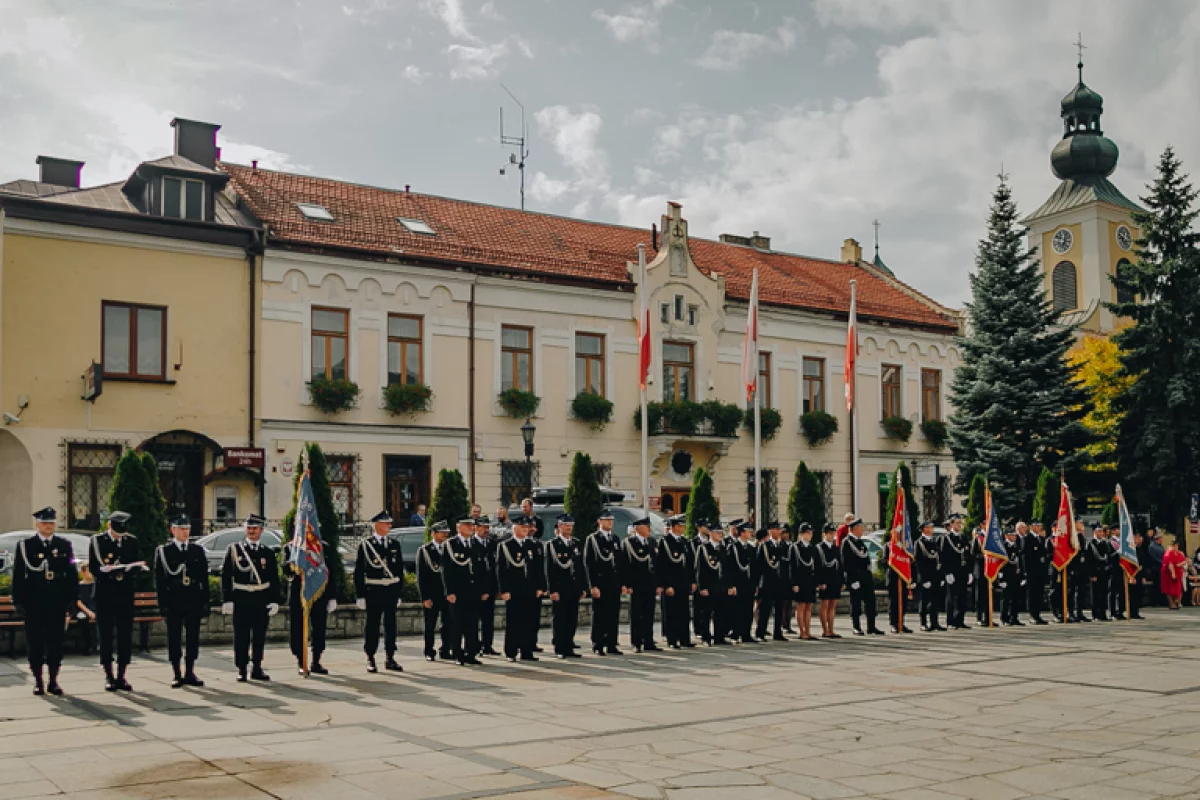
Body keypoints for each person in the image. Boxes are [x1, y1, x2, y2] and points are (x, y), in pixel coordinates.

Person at [12, 507, 78, 696]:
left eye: (51, 523)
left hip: (56, 602)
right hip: (34, 602)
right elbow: (18, 575)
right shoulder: (26, 545)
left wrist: (73, 599)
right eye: (45, 523)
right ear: (37, 524)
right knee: (35, 643)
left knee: (56, 642)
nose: (48, 526)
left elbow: (71, 574)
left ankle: (53, 680)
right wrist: (18, 600)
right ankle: (38, 680)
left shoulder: (63, 545)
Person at [90, 509, 145, 691]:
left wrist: (131, 570)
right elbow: (95, 567)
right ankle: (108, 674)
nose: (119, 535)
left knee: (125, 635)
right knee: (105, 635)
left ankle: (122, 675)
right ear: (109, 525)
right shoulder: (98, 541)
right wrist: (112, 570)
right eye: (116, 530)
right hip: (105, 594)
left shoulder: (131, 541)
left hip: (124, 594)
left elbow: (138, 562)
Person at [221, 514, 281, 682]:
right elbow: (226, 576)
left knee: (259, 636)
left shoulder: (267, 552)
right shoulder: (234, 550)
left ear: (261, 530)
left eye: (255, 528)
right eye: (248, 528)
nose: (251, 531)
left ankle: (257, 667)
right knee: (241, 636)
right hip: (241, 599)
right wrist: (227, 599)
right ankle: (241, 668)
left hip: (261, 599)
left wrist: (275, 600)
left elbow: (273, 578)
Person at [154, 514, 209, 687]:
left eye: (187, 529)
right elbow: (160, 580)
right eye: (181, 529)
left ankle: (190, 671)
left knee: (193, 637)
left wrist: (205, 601)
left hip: (192, 598)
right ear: (173, 530)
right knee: (174, 638)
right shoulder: (164, 551)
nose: (185, 533)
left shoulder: (197, 550)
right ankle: (177, 672)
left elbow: (203, 578)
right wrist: (162, 603)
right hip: (174, 599)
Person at [353, 511, 404, 673]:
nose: (389, 526)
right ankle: (371, 657)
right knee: (372, 625)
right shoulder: (366, 545)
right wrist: (360, 595)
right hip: (373, 591)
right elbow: (359, 572)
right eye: (386, 523)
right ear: (377, 525)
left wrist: (399, 593)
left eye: (390, 523)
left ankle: (390, 657)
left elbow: (399, 571)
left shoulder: (395, 545)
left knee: (391, 625)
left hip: (390, 590)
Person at [497, 515, 544, 661]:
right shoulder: (505, 546)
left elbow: (538, 568)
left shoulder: (532, 545)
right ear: (514, 528)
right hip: (514, 590)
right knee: (513, 622)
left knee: (529, 622)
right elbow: (501, 570)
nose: (525, 530)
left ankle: (527, 650)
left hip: (529, 589)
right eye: (522, 527)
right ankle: (511, 651)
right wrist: (504, 590)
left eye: (526, 527)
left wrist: (540, 586)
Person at [442, 517, 483, 665]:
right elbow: (446, 570)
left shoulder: (476, 544)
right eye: (467, 525)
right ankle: (458, 654)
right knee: (457, 624)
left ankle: (471, 653)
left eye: (472, 525)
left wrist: (483, 589)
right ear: (459, 527)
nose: (471, 528)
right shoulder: (451, 545)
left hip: (473, 590)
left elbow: (481, 568)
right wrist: (449, 591)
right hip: (458, 591)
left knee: (472, 624)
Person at [544, 514, 585, 658]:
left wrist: (582, 587)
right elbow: (549, 569)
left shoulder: (575, 543)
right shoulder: (552, 545)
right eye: (566, 525)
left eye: (570, 525)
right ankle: (559, 647)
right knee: (560, 618)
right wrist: (552, 589)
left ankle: (569, 645)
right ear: (559, 526)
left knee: (572, 619)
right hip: (560, 588)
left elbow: (580, 567)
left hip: (573, 587)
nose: (568, 528)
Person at [584, 509, 622, 655]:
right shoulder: (593, 539)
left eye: (611, 520)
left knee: (613, 614)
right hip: (600, 582)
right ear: (600, 522)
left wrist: (622, 583)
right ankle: (598, 644)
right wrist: (592, 585)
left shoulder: (615, 539)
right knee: (600, 614)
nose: (610, 522)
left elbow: (619, 562)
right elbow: (589, 563)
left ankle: (611, 643)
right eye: (607, 520)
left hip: (614, 583)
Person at [620, 517, 659, 652]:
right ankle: (636, 642)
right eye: (645, 526)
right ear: (637, 528)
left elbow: (656, 564)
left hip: (650, 583)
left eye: (648, 526)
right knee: (637, 614)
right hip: (636, 584)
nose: (648, 528)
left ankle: (648, 641)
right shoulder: (629, 543)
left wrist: (658, 583)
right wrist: (626, 584)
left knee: (649, 613)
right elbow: (624, 565)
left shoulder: (651, 542)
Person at [657, 515, 695, 648]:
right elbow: (662, 565)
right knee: (671, 612)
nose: (683, 528)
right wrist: (666, 584)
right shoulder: (665, 542)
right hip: (671, 583)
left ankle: (684, 638)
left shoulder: (685, 542)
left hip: (683, 582)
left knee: (684, 612)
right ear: (674, 527)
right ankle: (672, 639)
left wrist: (692, 581)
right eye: (681, 526)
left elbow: (690, 564)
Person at [417, 522, 452, 661]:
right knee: (430, 625)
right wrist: (424, 597)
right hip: (432, 594)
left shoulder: (448, 549)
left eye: (446, 532)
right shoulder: (425, 550)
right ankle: (429, 651)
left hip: (446, 593)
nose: (445, 535)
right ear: (433, 533)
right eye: (442, 532)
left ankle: (445, 649)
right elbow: (421, 576)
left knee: (447, 623)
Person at [841, 519, 883, 636]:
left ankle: (871, 627)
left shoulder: (860, 542)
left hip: (865, 577)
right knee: (856, 603)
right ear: (855, 529)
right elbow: (847, 564)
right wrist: (852, 580)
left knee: (870, 602)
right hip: (856, 578)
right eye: (861, 528)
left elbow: (865, 559)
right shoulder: (847, 542)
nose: (863, 530)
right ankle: (856, 627)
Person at [755, 522, 789, 642]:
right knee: (765, 608)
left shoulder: (779, 545)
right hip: (767, 581)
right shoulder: (764, 546)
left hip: (779, 581)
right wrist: (757, 583)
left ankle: (777, 632)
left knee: (779, 608)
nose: (779, 531)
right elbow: (758, 566)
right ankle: (760, 631)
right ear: (770, 530)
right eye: (776, 529)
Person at [693, 519, 724, 645]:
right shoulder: (704, 548)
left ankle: (719, 637)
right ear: (711, 533)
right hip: (708, 585)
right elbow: (699, 569)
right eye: (718, 533)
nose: (720, 535)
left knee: (720, 613)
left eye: (721, 533)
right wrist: (702, 587)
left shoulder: (723, 548)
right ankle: (706, 637)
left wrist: (728, 585)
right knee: (706, 613)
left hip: (720, 586)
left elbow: (726, 569)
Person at [473, 515, 499, 656]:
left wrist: (497, 588)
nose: (486, 530)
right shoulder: (471, 544)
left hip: (490, 588)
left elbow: (495, 567)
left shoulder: (492, 543)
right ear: (476, 528)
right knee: (474, 619)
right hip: (476, 589)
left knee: (488, 619)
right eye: (483, 527)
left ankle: (487, 645)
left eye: (488, 527)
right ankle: (474, 645)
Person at [725, 521, 755, 643]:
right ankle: (736, 632)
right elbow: (729, 568)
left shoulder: (750, 547)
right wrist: (731, 585)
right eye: (748, 531)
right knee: (737, 610)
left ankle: (746, 633)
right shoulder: (733, 547)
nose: (750, 533)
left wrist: (755, 583)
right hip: (738, 584)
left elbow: (754, 567)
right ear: (742, 533)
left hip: (748, 583)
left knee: (748, 609)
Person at [914, 520, 945, 632]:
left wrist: (941, 577)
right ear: (924, 529)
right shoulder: (919, 543)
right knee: (924, 600)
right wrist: (923, 579)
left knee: (935, 601)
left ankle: (934, 622)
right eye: (930, 527)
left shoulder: (934, 542)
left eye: (932, 527)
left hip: (935, 576)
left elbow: (939, 560)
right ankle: (923, 623)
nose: (932, 529)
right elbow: (918, 563)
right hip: (926, 577)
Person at [789, 523, 817, 641]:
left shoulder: (812, 548)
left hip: (809, 580)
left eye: (811, 533)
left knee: (808, 606)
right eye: (807, 533)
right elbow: (792, 567)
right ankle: (802, 632)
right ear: (801, 534)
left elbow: (815, 566)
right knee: (801, 606)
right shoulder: (795, 547)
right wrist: (794, 583)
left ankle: (808, 630)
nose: (810, 535)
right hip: (800, 581)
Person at [940, 514, 969, 629]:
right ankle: (951, 621)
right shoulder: (946, 538)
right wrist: (947, 572)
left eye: (960, 523)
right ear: (951, 524)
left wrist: (969, 571)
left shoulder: (963, 538)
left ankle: (960, 620)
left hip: (962, 571)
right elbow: (943, 556)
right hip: (952, 571)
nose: (959, 525)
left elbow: (967, 555)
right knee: (951, 597)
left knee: (962, 596)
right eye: (957, 523)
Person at [816, 522, 842, 639]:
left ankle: (831, 629)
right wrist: (820, 582)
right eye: (829, 533)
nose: (832, 536)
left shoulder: (836, 548)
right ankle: (825, 630)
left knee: (833, 605)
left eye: (833, 533)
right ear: (824, 534)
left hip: (835, 580)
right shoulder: (820, 548)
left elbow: (840, 565)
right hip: (825, 580)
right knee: (825, 605)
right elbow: (818, 566)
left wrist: (842, 581)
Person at [1023, 521, 1050, 625]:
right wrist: (1026, 573)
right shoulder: (1027, 539)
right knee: (1032, 594)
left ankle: (1038, 614)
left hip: (1040, 572)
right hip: (1032, 572)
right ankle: (1032, 615)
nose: (1039, 527)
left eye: (1040, 525)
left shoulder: (1041, 539)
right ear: (1032, 526)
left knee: (1039, 594)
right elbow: (1026, 557)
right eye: (1037, 525)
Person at [1084, 524, 1111, 622]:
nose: (1101, 533)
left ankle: (1103, 614)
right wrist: (1092, 574)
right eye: (1099, 532)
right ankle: (1095, 614)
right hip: (1095, 572)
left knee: (1103, 593)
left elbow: (1106, 558)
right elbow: (1089, 561)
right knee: (1095, 594)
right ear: (1095, 532)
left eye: (1101, 532)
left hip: (1104, 572)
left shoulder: (1105, 543)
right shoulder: (1091, 544)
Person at [999, 529, 1024, 626]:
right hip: (1006, 576)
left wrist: (1022, 575)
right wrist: (1001, 578)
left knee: (1015, 598)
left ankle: (1014, 617)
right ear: (1006, 536)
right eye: (1012, 535)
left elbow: (1020, 561)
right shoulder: (1003, 547)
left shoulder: (1016, 546)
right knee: (1006, 598)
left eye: (1015, 535)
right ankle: (1004, 618)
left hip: (1016, 575)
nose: (1014, 537)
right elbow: (1000, 563)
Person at [75, 564, 98, 655]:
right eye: (88, 571)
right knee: (82, 618)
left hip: (96, 609)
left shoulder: (96, 585)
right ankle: (87, 646)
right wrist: (88, 612)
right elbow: (78, 602)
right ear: (83, 572)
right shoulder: (79, 586)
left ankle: (100, 645)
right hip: (84, 610)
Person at [1161, 539, 1187, 610]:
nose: (1176, 547)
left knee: (1177, 588)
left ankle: (1177, 602)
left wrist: (1182, 564)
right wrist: (1173, 573)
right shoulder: (1168, 553)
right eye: (1174, 546)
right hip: (1168, 573)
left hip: (1178, 572)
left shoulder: (1179, 553)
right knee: (1169, 589)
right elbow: (1170, 564)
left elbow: (1184, 561)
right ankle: (1171, 604)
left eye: (1177, 546)